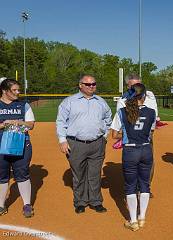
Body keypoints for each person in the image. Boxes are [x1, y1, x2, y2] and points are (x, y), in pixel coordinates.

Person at [56, 74, 112, 214]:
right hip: (76, 144)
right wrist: (62, 140)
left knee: (94, 174)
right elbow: (61, 122)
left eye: (93, 83)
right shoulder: (69, 102)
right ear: (80, 85)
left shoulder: (101, 102)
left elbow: (108, 120)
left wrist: (104, 136)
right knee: (79, 175)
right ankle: (80, 202)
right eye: (88, 84)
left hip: (97, 143)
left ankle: (95, 201)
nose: (92, 86)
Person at [111, 83, 156, 231]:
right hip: (146, 149)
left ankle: (133, 221)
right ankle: (142, 217)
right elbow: (151, 131)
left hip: (130, 151)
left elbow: (114, 135)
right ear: (144, 96)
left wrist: (126, 133)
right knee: (145, 184)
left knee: (130, 186)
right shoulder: (151, 112)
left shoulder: (122, 112)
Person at [115, 73, 158, 198]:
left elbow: (154, 114)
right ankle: (132, 188)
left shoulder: (150, 95)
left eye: (139, 84)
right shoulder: (123, 100)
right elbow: (122, 121)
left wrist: (149, 131)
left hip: (147, 135)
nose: (137, 87)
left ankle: (145, 188)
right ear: (127, 86)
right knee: (131, 163)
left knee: (148, 162)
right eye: (133, 85)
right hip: (131, 137)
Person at [0, 78, 35, 218]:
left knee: (22, 173)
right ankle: (1, 205)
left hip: (21, 144)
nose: (17, 92)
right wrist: (3, 124)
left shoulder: (23, 105)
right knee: (2, 176)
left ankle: (27, 205)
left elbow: (31, 124)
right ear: (4, 90)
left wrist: (17, 122)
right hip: (1, 144)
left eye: (18, 90)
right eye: (14, 90)